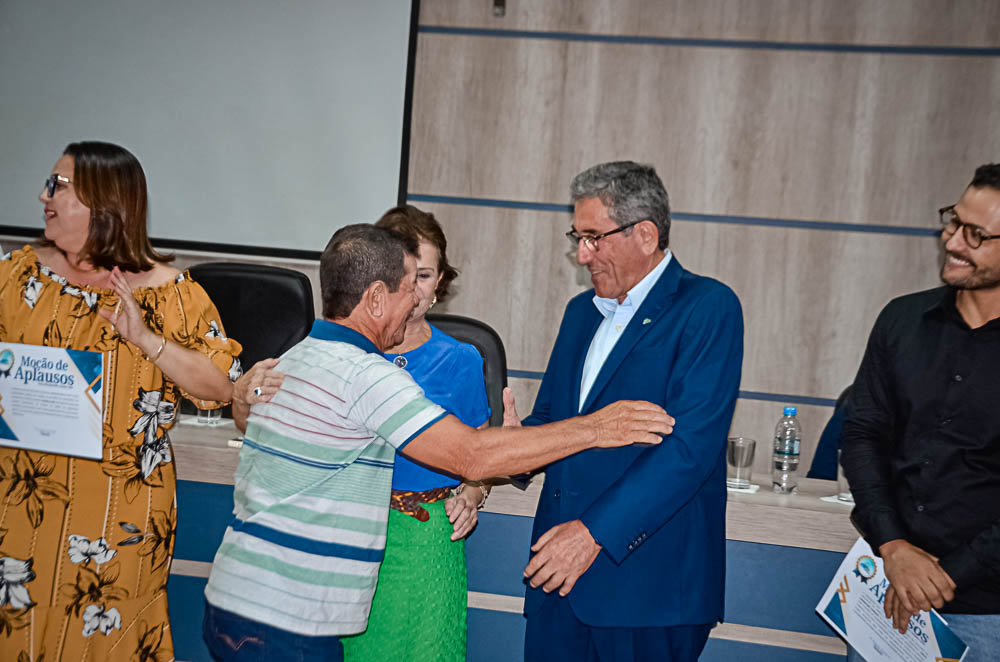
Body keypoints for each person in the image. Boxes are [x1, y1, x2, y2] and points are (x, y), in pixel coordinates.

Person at [202, 223, 674, 662]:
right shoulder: (366, 376)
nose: (415, 303)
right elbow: (471, 454)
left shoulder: (292, 357)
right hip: (290, 621)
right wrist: (597, 427)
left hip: (233, 598)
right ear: (375, 298)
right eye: (408, 289)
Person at [0, 141, 241, 661]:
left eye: (58, 187)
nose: (43, 196)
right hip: (21, 501)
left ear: (104, 203)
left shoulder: (168, 291)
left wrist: (147, 339)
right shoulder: (19, 276)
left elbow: (220, 385)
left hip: (117, 512)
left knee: (103, 640)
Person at [508, 161, 744, 662]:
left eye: (593, 237)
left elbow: (689, 450)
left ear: (645, 234)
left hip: (648, 590)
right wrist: (513, 450)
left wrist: (592, 534)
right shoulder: (580, 313)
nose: (581, 254)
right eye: (578, 236)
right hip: (557, 582)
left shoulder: (708, 308)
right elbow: (552, 419)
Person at [842, 163, 1000, 661]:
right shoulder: (902, 320)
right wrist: (894, 549)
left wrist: (943, 576)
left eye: (976, 234)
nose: (953, 241)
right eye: (953, 221)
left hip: (986, 610)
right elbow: (863, 434)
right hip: (884, 585)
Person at [341, 205, 489, 661]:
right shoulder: (342, 350)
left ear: (441, 280)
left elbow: (480, 463)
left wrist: (471, 495)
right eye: (404, 274)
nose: (414, 288)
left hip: (426, 543)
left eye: (425, 275)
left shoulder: (461, 359)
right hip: (350, 537)